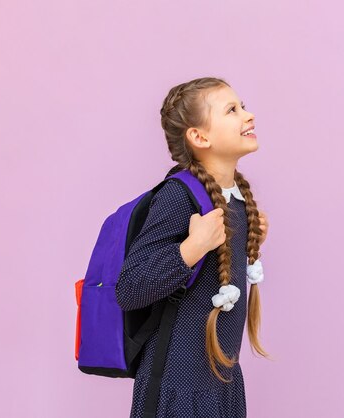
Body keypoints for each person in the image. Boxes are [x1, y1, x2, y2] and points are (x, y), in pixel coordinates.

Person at [116, 76, 270, 417]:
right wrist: (191, 248)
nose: (249, 115)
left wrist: (250, 233)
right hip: (178, 391)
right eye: (232, 110)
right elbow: (129, 288)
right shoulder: (177, 196)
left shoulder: (238, 199)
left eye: (242, 106)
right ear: (199, 137)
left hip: (221, 384)